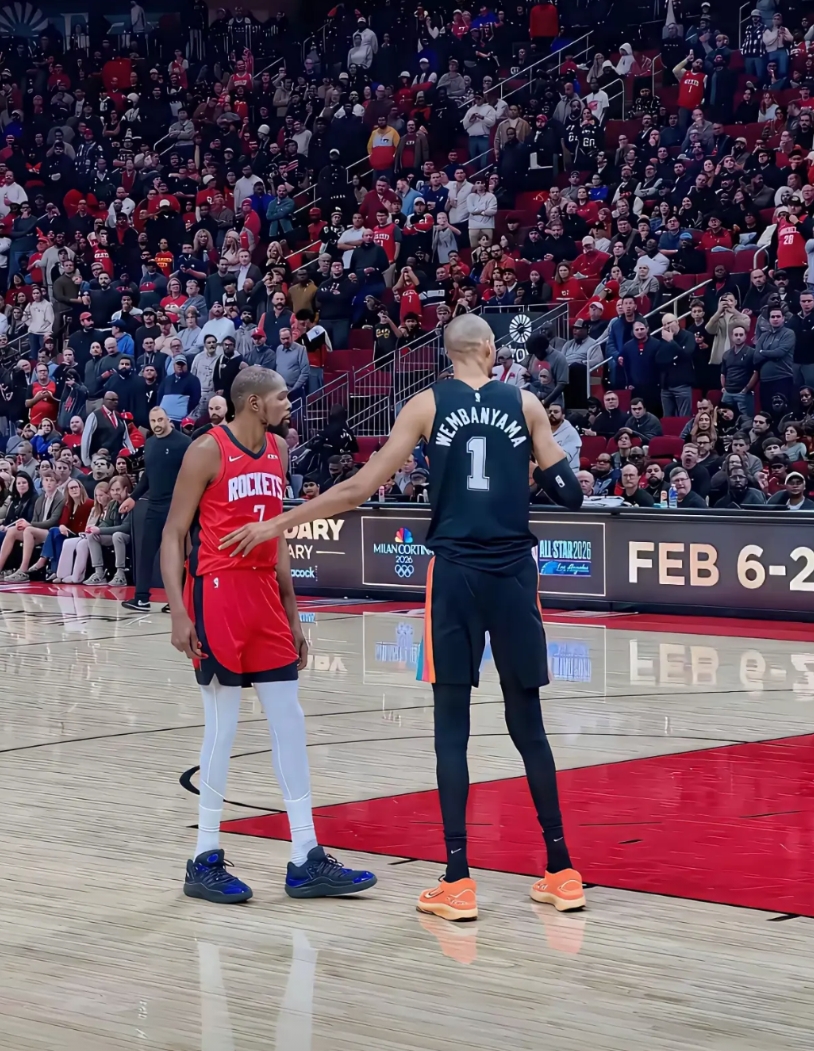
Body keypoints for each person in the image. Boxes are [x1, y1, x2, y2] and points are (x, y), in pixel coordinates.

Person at [219, 315, 586, 921]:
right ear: (489, 349)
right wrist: (528, 472)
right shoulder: (525, 404)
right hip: (514, 575)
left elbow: (358, 488)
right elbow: (571, 494)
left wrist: (279, 521)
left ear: (448, 355)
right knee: (530, 725)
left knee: (451, 729)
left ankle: (458, 881)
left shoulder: (425, 405)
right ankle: (561, 871)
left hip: (456, 575)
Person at [161, 366, 377, 904]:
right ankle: (204, 858)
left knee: (290, 722)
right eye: (281, 396)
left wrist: (294, 613)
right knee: (223, 728)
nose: (289, 402)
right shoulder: (206, 451)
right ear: (254, 403)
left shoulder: (279, 450)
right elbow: (173, 532)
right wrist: (178, 612)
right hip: (217, 594)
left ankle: (306, 857)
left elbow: (276, 533)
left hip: (264, 598)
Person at [120, 407, 190, 613]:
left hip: (176, 507)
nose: (157, 424)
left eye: (160, 420)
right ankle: (141, 598)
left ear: (168, 420)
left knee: (176, 555)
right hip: (154, 505)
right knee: (146, 552)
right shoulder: (150, 443)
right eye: (153, 421)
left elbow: (194, 475)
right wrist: (133, 498)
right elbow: (147, 477)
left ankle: (177, 601)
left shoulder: (184, 443)